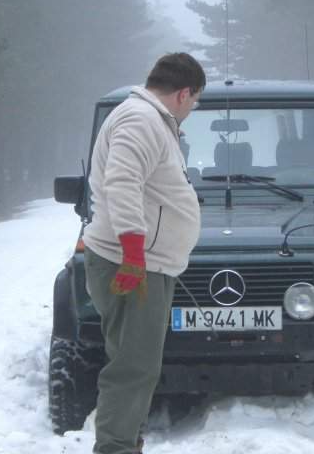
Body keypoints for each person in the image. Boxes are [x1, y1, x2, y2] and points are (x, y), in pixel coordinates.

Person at [82, 52, 205, 454]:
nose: (192, 109)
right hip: (133, 264)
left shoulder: (150, 120)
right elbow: (121, 182)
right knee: (132, 368)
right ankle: (116, 448)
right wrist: (134, 254)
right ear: (183, 93)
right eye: (195, 101)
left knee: (138, 364)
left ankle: (126, 444)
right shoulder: (141, 119)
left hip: (144, 263)